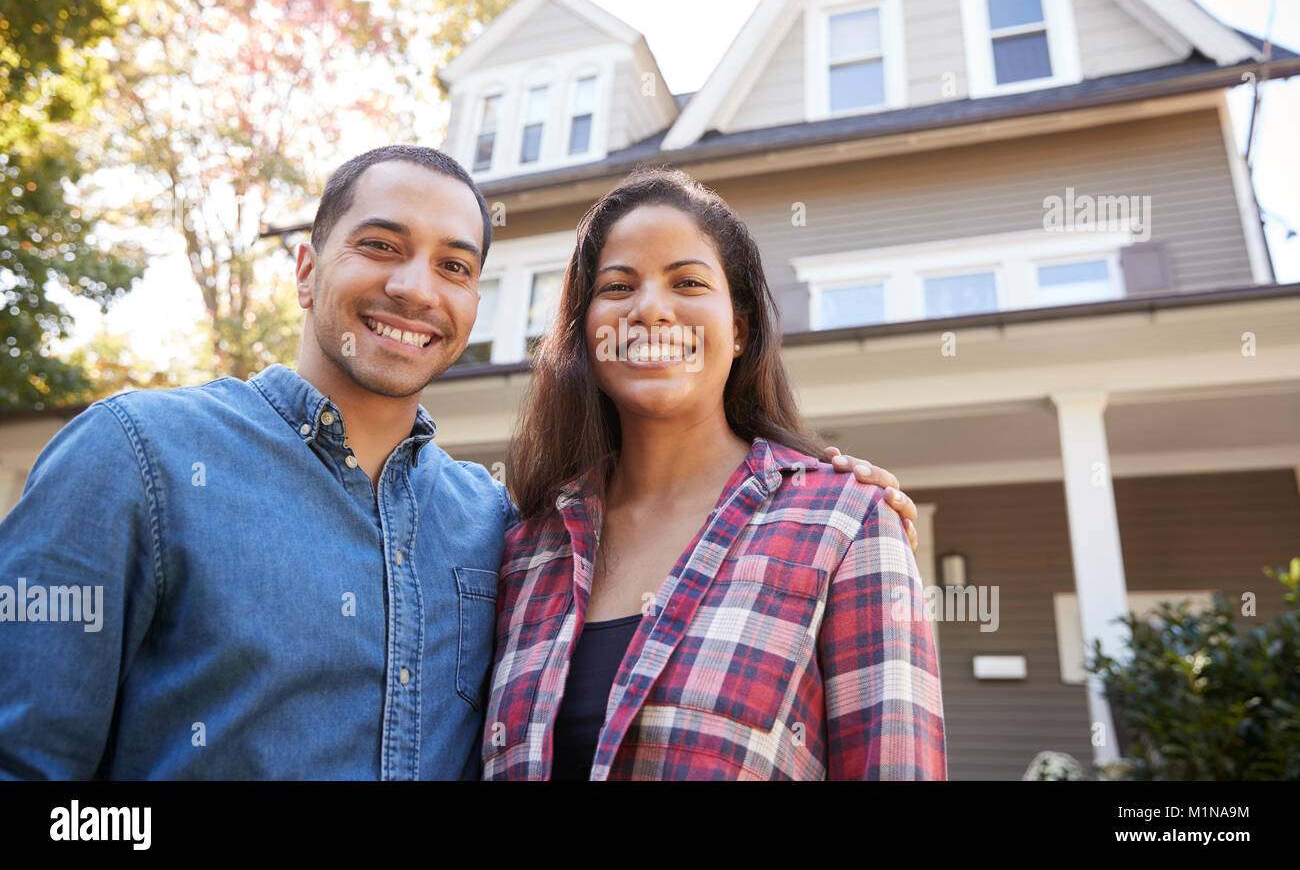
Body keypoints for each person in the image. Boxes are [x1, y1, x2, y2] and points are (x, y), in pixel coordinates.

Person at [0, 146, 917, 779]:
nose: (413, 288)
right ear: (306, 268)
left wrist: (832, 493)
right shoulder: (139, 457)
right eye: (380, 246)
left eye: (453, 264)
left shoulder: (493, 527)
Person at [481, 168, 946, 780]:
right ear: (586, 332)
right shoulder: (523, 548)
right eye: (618, 286)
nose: (649, 309)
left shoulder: (847, 524)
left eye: (688, 282)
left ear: (739, 331)